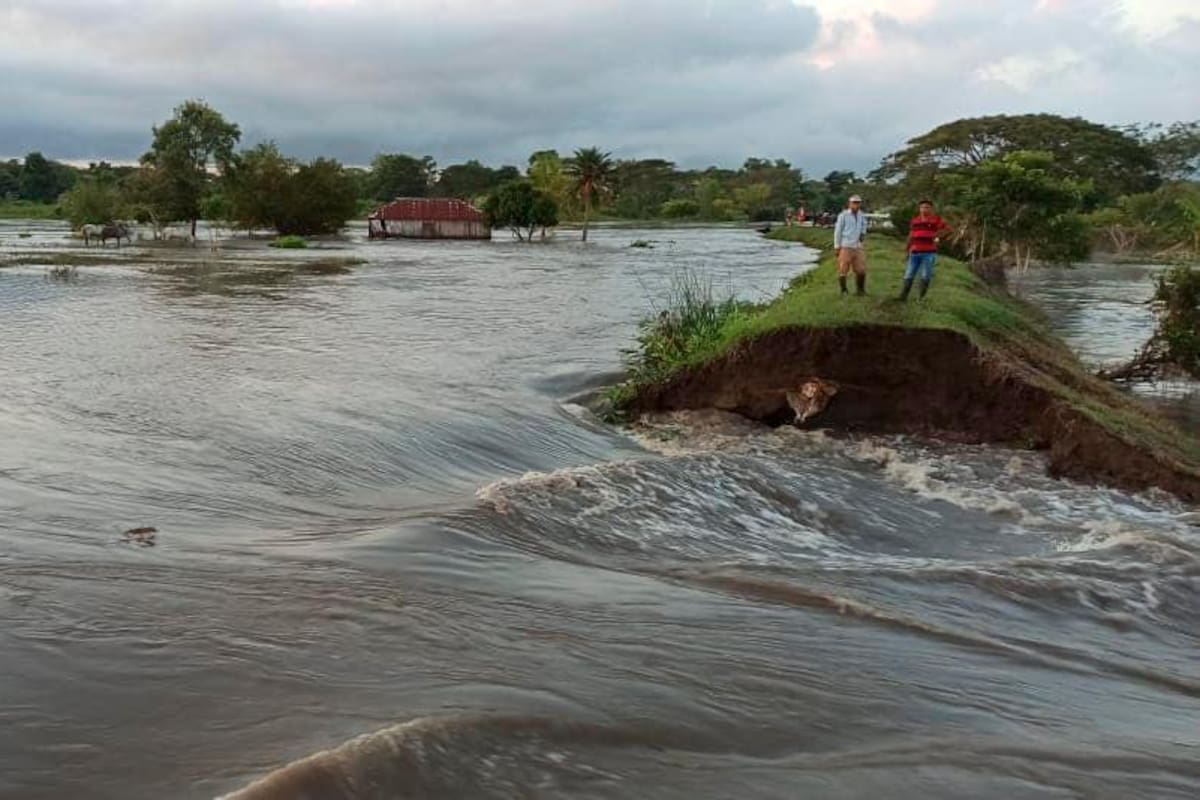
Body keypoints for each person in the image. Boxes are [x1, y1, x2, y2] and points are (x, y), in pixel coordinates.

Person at [900, 199, 952, 301]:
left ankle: (921, 298)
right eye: (922, 207)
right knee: (909, 273)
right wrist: (907, 249)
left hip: (929, 252)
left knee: (926, 275)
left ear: (931, 209)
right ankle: (903, 297)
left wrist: (938, 236)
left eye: (927, 207)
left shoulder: (935, 220)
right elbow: (911, 234)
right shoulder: (915, 220)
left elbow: (948, 229)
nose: (924, 209)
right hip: (915, 251)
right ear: (919, 209)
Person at [833, 195, 868, 295]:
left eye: (858, 203)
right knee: (844, 268)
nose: (856, 205)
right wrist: (837, 246)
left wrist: (862, 233)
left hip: (857, 245)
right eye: (854, 203)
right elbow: (838, 231)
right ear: (850, 204)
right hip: (845, 245)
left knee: (861, 269)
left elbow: (864, 224)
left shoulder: (861, 215)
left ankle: (860, 290)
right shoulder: (843, 215)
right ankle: (844, 290)